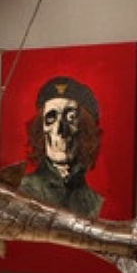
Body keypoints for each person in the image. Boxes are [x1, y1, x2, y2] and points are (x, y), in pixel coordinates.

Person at [18, 75, 104, 218]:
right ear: (41, 128)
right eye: (51, 118)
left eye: (71, 117)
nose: (59, 129)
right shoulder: (22, 190)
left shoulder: (93, 201)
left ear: (84, 129)